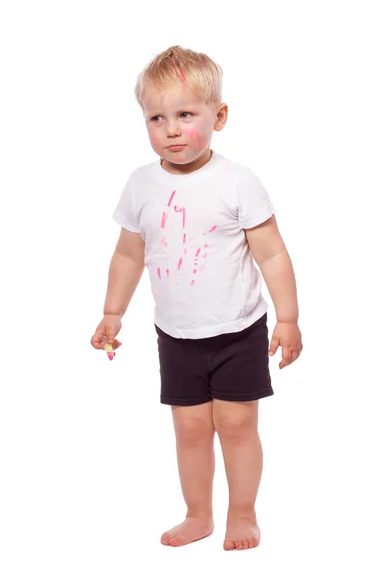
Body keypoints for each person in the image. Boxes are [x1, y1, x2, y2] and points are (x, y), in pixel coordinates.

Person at [90, 45, 303, 551]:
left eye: (185, 114)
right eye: (156, 117)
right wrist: (112, 312)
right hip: (177, 334)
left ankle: (244, 513)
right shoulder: (141, 185)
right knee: (189, 429)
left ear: (219, 116)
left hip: (238, 330)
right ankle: (198, 513)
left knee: (234, 423)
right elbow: (127, 255)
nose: (169, 128)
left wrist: (288, 319)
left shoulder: (237, 181)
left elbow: (272, 254)